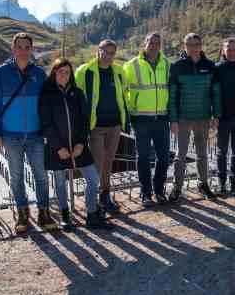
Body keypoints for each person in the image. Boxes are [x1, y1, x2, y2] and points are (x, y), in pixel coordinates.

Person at [0, 32, 52, 233]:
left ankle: (44, 212)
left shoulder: (39, 74)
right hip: (10, 135)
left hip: (35, 135)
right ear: (13, 49)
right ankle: (23, 214)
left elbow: (48, 103)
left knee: (41, 175)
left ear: (31, 50)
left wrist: (49, 130)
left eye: (27, 47)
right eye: (20, 47)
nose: (23, 51)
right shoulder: (0, 74)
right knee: (16, 177)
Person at [39, 58, 114, 230]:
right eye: (60, 72)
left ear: (71, 74)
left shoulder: (78, 93)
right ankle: (65, 216)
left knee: (93, 178)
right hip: (56, 148)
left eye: (67, 72)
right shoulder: (47, 94)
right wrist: (59, 147)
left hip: (79, 146)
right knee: (59, 183)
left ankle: (92, 214)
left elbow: (85, 120)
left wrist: (81, 143)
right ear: (54, 73)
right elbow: (46, 124)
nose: (64, 75)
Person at [75, 39, 128, 214]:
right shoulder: (85, 71)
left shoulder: (119, 71)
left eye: (111, 52)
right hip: (95, 127)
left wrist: (123, 120)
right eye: (104, 51)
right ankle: (92, 200)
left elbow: (123, 94)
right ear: (98, 51)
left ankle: (105, 197)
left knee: (108, 163)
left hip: (114, 126)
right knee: (97, 164)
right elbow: (76, 97)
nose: (107, 55)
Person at [168, 33, 221, 202]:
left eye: (196, 44)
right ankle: (177, 188)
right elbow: (172, 95)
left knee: (202, 154)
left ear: (201, 45)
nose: (193, 47)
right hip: (183, 118)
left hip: (203, 117)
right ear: (184, 46)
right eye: (189, 44)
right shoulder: (177, 66)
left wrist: (216, 115)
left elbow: (216, 93)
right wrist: (173, 120)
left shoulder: (210, 65)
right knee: (180, 155)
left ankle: (203, 184)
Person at [123, 32, 172, 206]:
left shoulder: (167, 64)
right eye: (151, 42)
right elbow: (122, 91)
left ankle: (159, 191)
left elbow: (171, 91)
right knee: (143, 157)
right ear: (145, 43)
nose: (154, 46)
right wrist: (128, 113)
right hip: (141, 119)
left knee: (164, 158)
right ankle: (145, 193)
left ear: (161, 45)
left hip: (161, 118)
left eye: (157, 43)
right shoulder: (131, 65)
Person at [215, 37, 235, 197]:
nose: (231, 52)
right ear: (223, 50)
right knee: (221, 152)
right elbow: (211, 94)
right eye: (228, 48)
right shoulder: (217, 68)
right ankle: (221, 183)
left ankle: (234, 184)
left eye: (234, 49)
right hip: (222, 118)